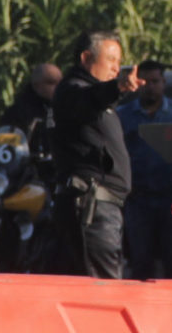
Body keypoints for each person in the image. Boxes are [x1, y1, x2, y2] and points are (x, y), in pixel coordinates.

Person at [49, 30, 141, 279]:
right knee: (104, 294)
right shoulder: (73, 91)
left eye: (119, 62)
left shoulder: (96, 98)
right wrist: (117, 87)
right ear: (86, 57)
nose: (116, 68)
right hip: (91, 209)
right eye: (110, 60)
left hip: (103, 209)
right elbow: (89, 98)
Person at [117, 58, 172, 280]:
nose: (150, 86)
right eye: (144, 81)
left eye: (155, 81)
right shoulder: (122, 115)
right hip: (137, 199)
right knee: (140, 261)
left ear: (163, 82)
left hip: (170, 200)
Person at [0, 62, 63, 133]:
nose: (58, 87)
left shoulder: (63, 107)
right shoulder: (18, 112)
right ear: (36, 85)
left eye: (61, 82)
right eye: (51, 82)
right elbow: (5, 139)